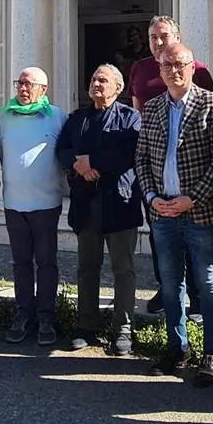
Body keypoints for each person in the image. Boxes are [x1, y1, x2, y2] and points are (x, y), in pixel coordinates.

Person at [134, 43, 213, 385]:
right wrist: (151, 196)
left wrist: (193, 198)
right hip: (162, 212)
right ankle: (178, 348)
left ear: (193, 68)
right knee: (170, 280)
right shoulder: (152, 107)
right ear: (160, 71)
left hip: (199, 211)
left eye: (180, 64)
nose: (173, 71)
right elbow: (141, 158)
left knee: (208, 281)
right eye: (167, 66)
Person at [128, 15, 213, 317]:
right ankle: (166, 288)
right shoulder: (140, 69)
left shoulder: (196, 69)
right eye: (153, 37)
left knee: (193, 238)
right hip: (155, 167)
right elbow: (137, 112)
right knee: (159, 234)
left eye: (164, 36)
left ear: (177, 37)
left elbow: (209, 112)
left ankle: (196, 295)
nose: (158, 42)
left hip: (190, 173)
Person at [59, 64, 142, 356]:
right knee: (87, 268)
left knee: (123, 270)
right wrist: (78, 164)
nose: (96, 83)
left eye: (103, 80)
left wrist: (93, 162)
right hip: (86, 205)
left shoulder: (130, 118)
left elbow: (130, 152)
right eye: (94, 78)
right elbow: (63, 149)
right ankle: (86, 326)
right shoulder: (77, 118)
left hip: (119, 204)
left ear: (117, 87)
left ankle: (123, 330)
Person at [0, 67, 67, 346]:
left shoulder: (57, 116)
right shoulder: (5, 117)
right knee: (21, 263)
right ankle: (23, 313)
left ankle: (46, 317)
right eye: (20, 83)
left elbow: (65, 154)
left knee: (47, 263)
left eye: (29, 84)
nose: (23, 89)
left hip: (46, 204)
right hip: (14, 204)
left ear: (43, 89)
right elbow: (0, 155)